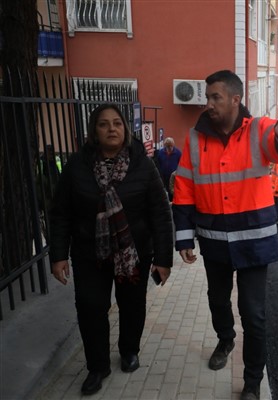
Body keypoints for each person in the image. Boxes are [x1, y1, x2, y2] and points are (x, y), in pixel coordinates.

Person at [172, 70, 278, 400]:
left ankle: (253, 382)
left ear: (235, 99)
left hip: (254, 241)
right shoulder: (196, 138)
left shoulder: (258, 130)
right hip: (214, 240)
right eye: (207, 97)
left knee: (253, 314)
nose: (209, 103)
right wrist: (184, 238)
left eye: (216, 97)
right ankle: (225, 338)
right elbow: (184, 186)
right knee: (217, 301)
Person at [49, 104, 174, 396]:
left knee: (132, 305)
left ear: (125, 129)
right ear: (94, 131)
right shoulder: (77, 166)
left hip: (133, 255)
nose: (112, 129)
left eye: (117, 123)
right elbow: (60, 212)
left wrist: (163, 259)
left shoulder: (142, 165)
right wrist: (58, 255)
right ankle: (97, 366)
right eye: (104, 124)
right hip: (88, 254)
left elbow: (160, 212)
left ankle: (129, 350)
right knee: (91, 308)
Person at [156, 136, 182, 201]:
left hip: (173, 177)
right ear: (165, 146)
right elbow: (158, 163)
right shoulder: (161, 153)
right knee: (163, 190)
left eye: (171, 146)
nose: (170, 148)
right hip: (163, 175)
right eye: (168, 146)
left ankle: (172, 201)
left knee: (172, 191)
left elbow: (181, 164)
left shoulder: (178, 153)